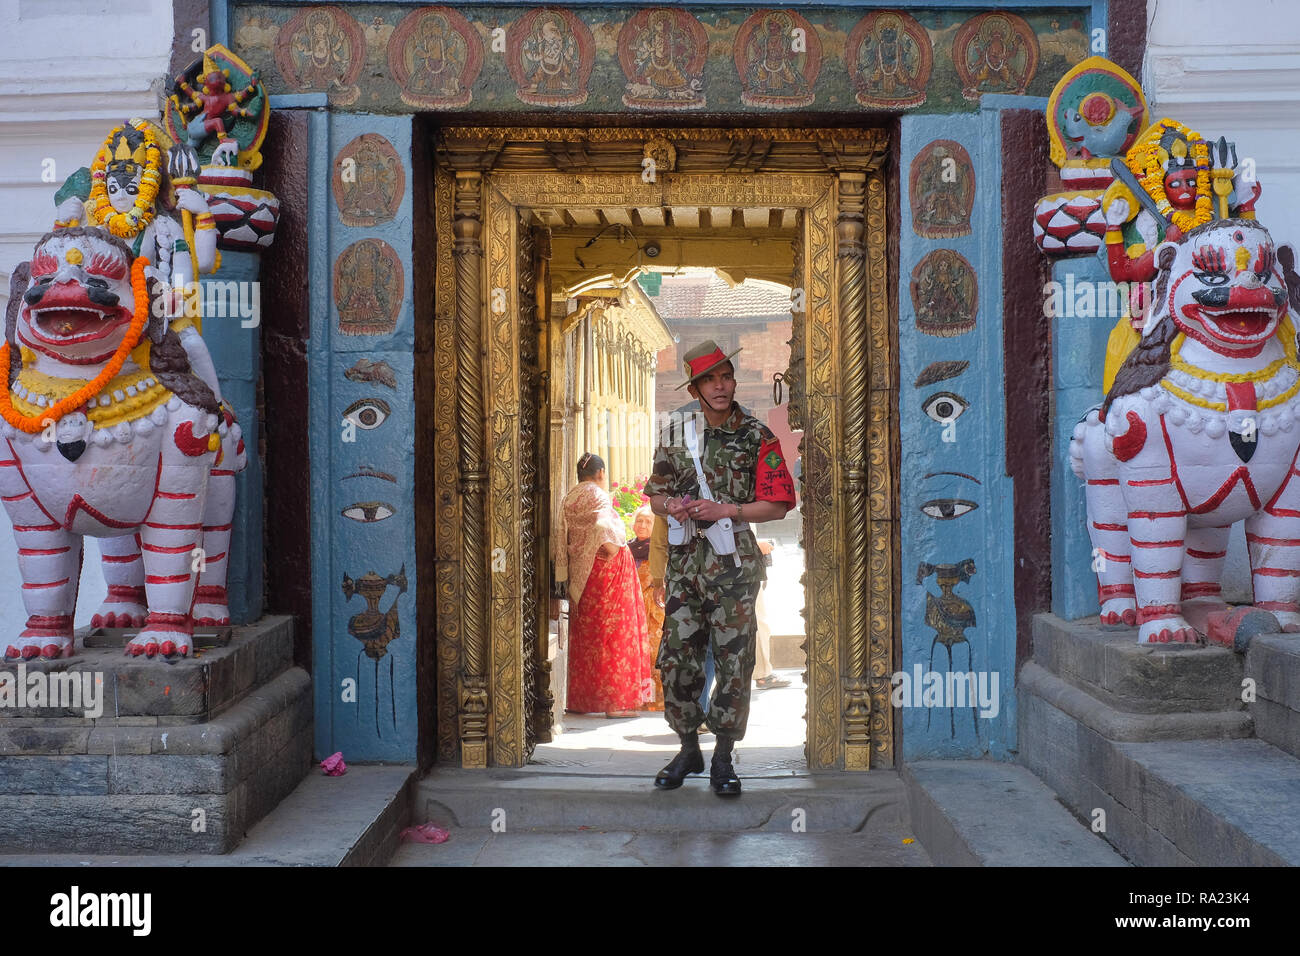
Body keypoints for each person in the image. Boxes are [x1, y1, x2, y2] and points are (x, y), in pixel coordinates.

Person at [645, 340, 796, 795]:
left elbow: (779, 505)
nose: (720, 386)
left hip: (734, 571)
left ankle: (724, 759)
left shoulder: (757, 437)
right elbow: (654, 494)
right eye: (709, 380)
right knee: (676, 662)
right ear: (694, 388)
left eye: (725, 377)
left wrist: (726, 510)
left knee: (734, 664)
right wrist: (671, 504)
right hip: (686, 570)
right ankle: (689, 749)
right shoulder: (675, 432)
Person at [554, 452, 649, 718]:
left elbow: (563, 534)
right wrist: (611, 546)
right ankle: (613, 704)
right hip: (605, 572)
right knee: (613, 633)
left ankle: (580, 700)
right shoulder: (598, 494)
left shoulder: (569, 497)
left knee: (586, 634)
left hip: (581, 575)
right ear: (601, 473)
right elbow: (602, 525)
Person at [629, 505, 665, 711]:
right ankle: (642, 699)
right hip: (633, 610)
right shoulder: (628, 548)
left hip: (654, 612)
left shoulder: (659, 549)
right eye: (639, 520)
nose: (642, 525)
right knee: (637, 656)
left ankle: (657, 701)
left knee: (654, 656)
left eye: (648, 521)